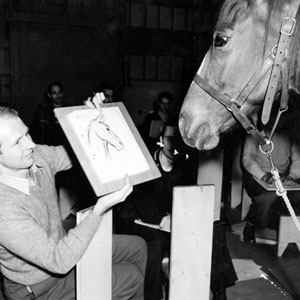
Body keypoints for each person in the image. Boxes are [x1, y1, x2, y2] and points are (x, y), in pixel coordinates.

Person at [0, 104, 147, 300]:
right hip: (39, 285)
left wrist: (89, 116)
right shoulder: (4, 209)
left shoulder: (36, 156)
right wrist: (99, 209)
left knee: (137, 247)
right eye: (17, 142)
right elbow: (58, 260)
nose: (30, 144)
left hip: (59, 249)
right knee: (130, 278)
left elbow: (81, 151)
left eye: (26, 134)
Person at [115, 120, 237, 300]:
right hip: (138, 219)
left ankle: (220, 292)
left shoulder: (184, 164)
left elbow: (187, 197)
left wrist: (177, 215)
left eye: (178, 141)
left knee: (214, 228)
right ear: (161, 140)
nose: (173, 145)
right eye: (169, 139)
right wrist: (167, 217)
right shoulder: (144, 164)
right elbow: (142, 204)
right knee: (157, 243)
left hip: (171, 219)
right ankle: (152, 296)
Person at [242, 128, 300, 244]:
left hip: (283, 175)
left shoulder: (290, 132)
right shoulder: (255, 131)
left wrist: (291, 176)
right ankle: (252, 223)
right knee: (267, 196)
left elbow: (298, 159)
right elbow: (247, 158)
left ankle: (288, 228)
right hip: (257, 174)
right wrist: (264, 177)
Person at [31, 81, 66, 146]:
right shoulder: (43, 109)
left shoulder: (67, 109)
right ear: (49, 95)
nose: (58, 96)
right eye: (54, 93)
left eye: (59, 92)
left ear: (63, 93)